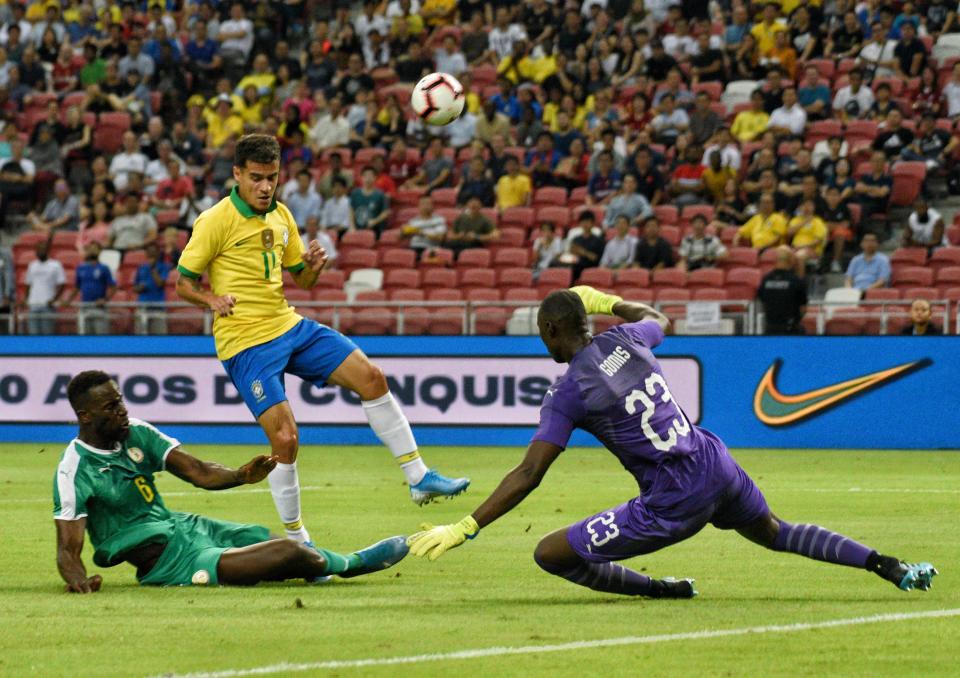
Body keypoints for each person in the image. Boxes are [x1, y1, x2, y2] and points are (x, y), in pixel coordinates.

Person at [405, 288, 937, 597]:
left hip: (673, 497)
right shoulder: (628, 337)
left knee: (550, 553)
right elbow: (655, 317)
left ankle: (663, 589)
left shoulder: (567, 392)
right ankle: (885, 564)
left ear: (549, 329)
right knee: (775, 531)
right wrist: (607, 299)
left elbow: (529, 473)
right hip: (714, 460)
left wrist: (467, 526)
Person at [176, 135, 469, 547]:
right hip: (245, 343)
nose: (265, 187)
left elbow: (301, 278)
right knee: (285, 439)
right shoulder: (215, 220)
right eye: (256, 179)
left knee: (372, 377)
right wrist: (211, 298)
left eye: (272, 178)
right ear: (237, 175)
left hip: (288, 325)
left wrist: (312, 268)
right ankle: (298, 540)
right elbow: (182, 284)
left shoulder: (281, 216)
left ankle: (419, 477)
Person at [53, 370, 408, 592]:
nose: (122, 411)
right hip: (170, 561)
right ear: (85, 416)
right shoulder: (74, 469)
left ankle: (314, 567)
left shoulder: (137, 433)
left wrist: (241, 475)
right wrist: (78, 579)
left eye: (121, 401)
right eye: (112, 406)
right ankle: (351, 564)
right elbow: (68, 548)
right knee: (285, 552)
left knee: (262, 538)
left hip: (187, 527)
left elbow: (198, 471)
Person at [61, 242, 115, 336]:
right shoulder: (81, 268)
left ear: (100, 251)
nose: (92, 250)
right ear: (87, 251)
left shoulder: (104, 268)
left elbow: (113, 287)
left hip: (99, 308)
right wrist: (68, 300)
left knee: (101, 338)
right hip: (84, 307)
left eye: (95, 248)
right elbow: (77, 287)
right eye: (90, 248)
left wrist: (105, 299)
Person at [24, 241, 65, 335]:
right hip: (33, 305)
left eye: (43, 249)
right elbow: (28, 284)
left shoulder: (56, 265)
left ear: (48, 250)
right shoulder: (32, 265)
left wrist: (54, 299)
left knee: (47, 336)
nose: (40, 251)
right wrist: (26, 299)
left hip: (48, 306)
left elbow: (62, 284)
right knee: (33, 336)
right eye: (38, 249)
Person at [133, 242, 170, 335]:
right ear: (146, 253)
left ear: (158, 253)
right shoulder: (141, 268)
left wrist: (153, 268)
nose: (151, 254)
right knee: (140, 338)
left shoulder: (164, 267)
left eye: (154, 251)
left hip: (158, 307)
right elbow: (134, 288)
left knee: (160, 338)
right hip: (143, 306)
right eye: (149, 251)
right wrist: (140, 288)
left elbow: (160, 283)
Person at [350, 166, 390, 235]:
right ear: (361, 177)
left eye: (371, 176)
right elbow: (351, 210)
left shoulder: (380, 194)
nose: (368, 178)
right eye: (366, 176)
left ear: (375, 178)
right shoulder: (355, 193)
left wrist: (374, 221)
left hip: (375, 229)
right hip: (358, 229)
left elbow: (386, 212)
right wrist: (352, 226)